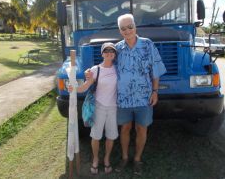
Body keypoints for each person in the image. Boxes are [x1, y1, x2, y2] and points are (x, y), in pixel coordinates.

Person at [114, 13, 166, 175]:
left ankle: (137, 159)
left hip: (144, 97)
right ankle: (124, 157)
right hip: (123, 98)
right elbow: (107, 68)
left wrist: (155, 91)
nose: (127, 30)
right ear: (120, 30)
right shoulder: (117, 49)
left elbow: (155, 70)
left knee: (141, 129)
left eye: (130, 27)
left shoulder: (147, 45)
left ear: (135, 26)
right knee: (125, 128)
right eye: (123, 28)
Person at [68, 42, 118, 175]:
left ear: (114, 54)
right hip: (99, 106)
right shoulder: (96, 69)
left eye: (111, 51)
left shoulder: (117, 69)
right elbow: (85, 86)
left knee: (111, 136)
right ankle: (95, 159)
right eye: (106, 51)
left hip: (113, 108)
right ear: (102, 54)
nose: (109, 53)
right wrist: (74, 89)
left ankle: (106, 159)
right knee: (96, 136)